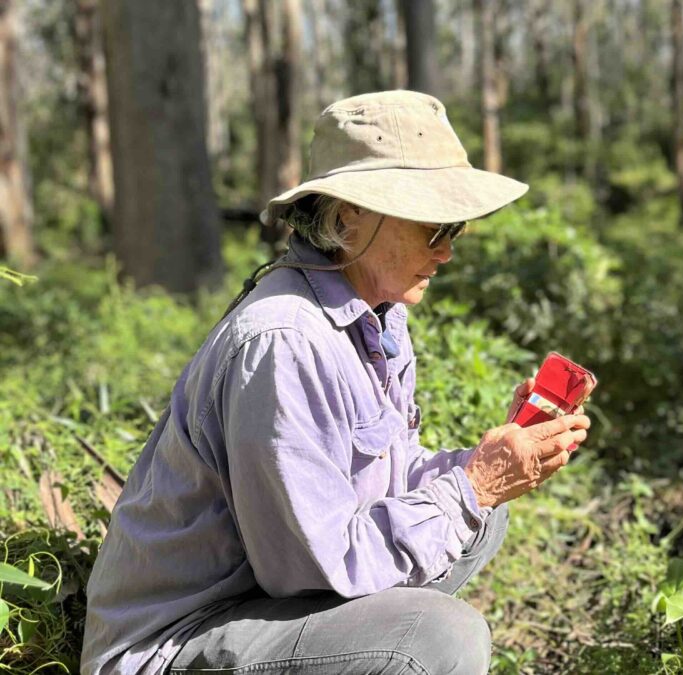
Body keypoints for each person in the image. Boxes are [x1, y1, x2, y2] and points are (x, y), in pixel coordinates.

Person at [81, 90, 591, 675]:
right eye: (434, 227)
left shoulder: (373, 317)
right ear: (349, 217)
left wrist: (488, 466)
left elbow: (384, 483)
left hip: (259, 609)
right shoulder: (285, 340)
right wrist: (471, 486)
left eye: (455, 228)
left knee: (482, 516)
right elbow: (310, 570)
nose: (448, 251)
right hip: (171, 646)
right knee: (439, 637)